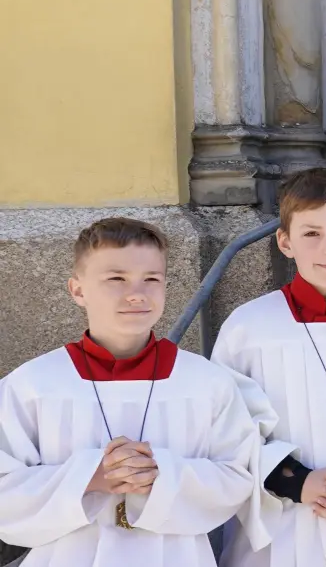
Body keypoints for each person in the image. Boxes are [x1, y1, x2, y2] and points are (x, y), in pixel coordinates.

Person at [0, 218, 257, 566]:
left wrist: (159, 475)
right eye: (116, 278)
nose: (137, 293)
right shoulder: (32, 384)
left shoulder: (206, 382)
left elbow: (237, 475)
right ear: (78, 290)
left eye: (152, 279)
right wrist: (91, 476)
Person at [212, 168, 326, 567]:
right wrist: (299, 482)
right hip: (281, 528)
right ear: (285, 241)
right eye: (311, 233)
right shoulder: (249, 328)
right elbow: (222, 431)